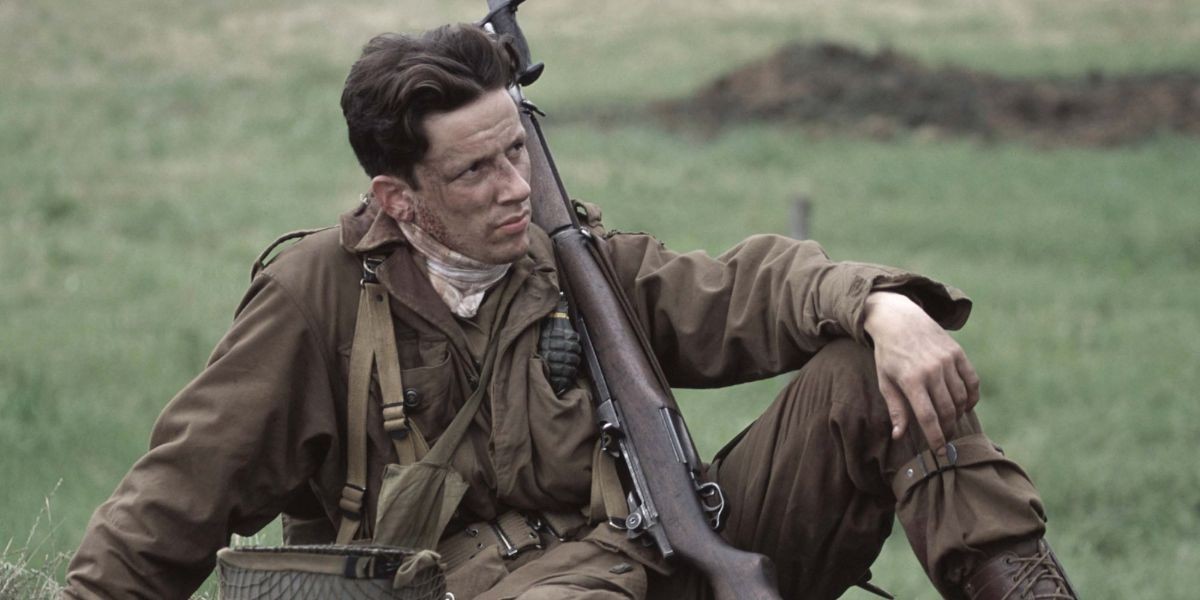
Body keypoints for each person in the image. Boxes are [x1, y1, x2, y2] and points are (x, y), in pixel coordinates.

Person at [64, 24, 1076, 600]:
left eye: (518, 151)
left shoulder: (576, 265)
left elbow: (748, 290)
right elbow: (171, 501)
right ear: (396, 198)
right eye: (476, 169)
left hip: (658, 572)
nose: (515, 188)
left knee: (872, 377)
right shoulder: (314, 300)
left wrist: (880, 305)